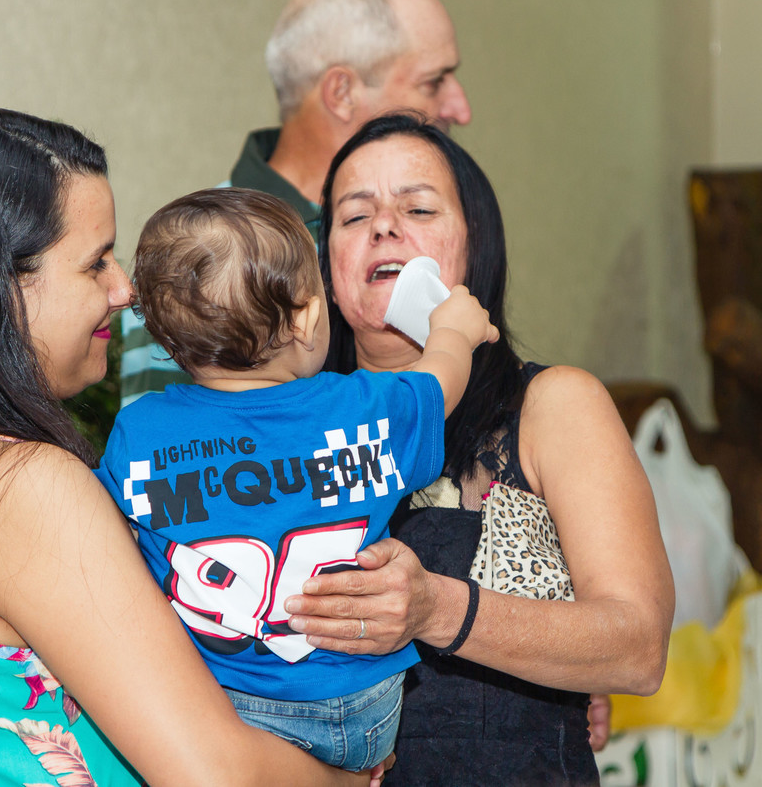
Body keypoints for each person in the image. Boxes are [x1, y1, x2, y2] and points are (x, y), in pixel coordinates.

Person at [0, 109, 380, 787]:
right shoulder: (23, 486)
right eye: (96, 261)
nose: (125, 290)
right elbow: (218, 776)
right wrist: (352, 780)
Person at [280, 112, 674, 785]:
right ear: (326, 269)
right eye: (354, 216)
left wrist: (437, 607)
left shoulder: (554, 406)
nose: (383, 226)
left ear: (475, 247)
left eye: (418, 207)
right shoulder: (284, 428)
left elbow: (638, 648)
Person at [97, 186, 497, 772]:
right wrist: (455, 332)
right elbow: (437, 386)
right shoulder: (362, 408)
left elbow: (115, 542)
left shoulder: (140, 432)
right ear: (310, 314)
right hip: (361, 713)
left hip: (220, 710)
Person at [121, 0, 471, 406]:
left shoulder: (442, 222)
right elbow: (175, 462)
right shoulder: (195, 259)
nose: (460, 108)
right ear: (341, 93)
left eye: (418, 210)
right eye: (434, 81)